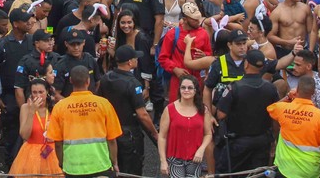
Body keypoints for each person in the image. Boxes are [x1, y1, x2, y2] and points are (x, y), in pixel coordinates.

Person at [47, 65, 122, 178]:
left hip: (73, 168)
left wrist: (62, 164)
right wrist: (114, 162)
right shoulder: (104, 104)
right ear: (88, 81)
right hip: (100, 165)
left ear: (71, 80)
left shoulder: (60, 107)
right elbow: (112, 140)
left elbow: (58, 143)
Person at [97, 44, 158, 175]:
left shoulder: (106, 78)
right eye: (135, 58)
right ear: (130, 62)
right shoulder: (133, 83)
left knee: (113, 168)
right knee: (131, 171)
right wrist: (155, 133)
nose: (137, 60)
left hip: (109, 132)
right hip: (129, 135)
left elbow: (99, 102)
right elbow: (142, 114)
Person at [216, 49, 279, 175]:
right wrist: (274, 140)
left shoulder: (234, 87)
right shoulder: (270, 88)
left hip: (238, 143)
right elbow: (275, 118)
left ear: (246, 64)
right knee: (257, 174)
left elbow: (221, 114)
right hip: (262, 141)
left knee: (232, 173)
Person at [267, 75, 320, 178]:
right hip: (310, 171)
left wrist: (288, 97)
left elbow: (270, 109)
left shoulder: (283, 109)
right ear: (313, 93)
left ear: (297, 90)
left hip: (285, 169)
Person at [158, 75, 212, 178]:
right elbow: (162, 137)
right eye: (183, 87)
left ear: (196, 90)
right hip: (174, 159)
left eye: (190, 88)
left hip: (195, 159)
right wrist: (163, 161)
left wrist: (201, 149)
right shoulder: (169, 109)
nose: (186, 90)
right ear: (179, 89)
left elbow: (208, 134)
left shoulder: (203, 110)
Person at [10, 78, 61, 177]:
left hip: (52, 151)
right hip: (31, 154)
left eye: (41, 92)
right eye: (34, 92)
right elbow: (24, 135)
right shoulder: (25, 108)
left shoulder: (55, 108)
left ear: (47, 92)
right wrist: (32, 112)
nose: (38, 96)